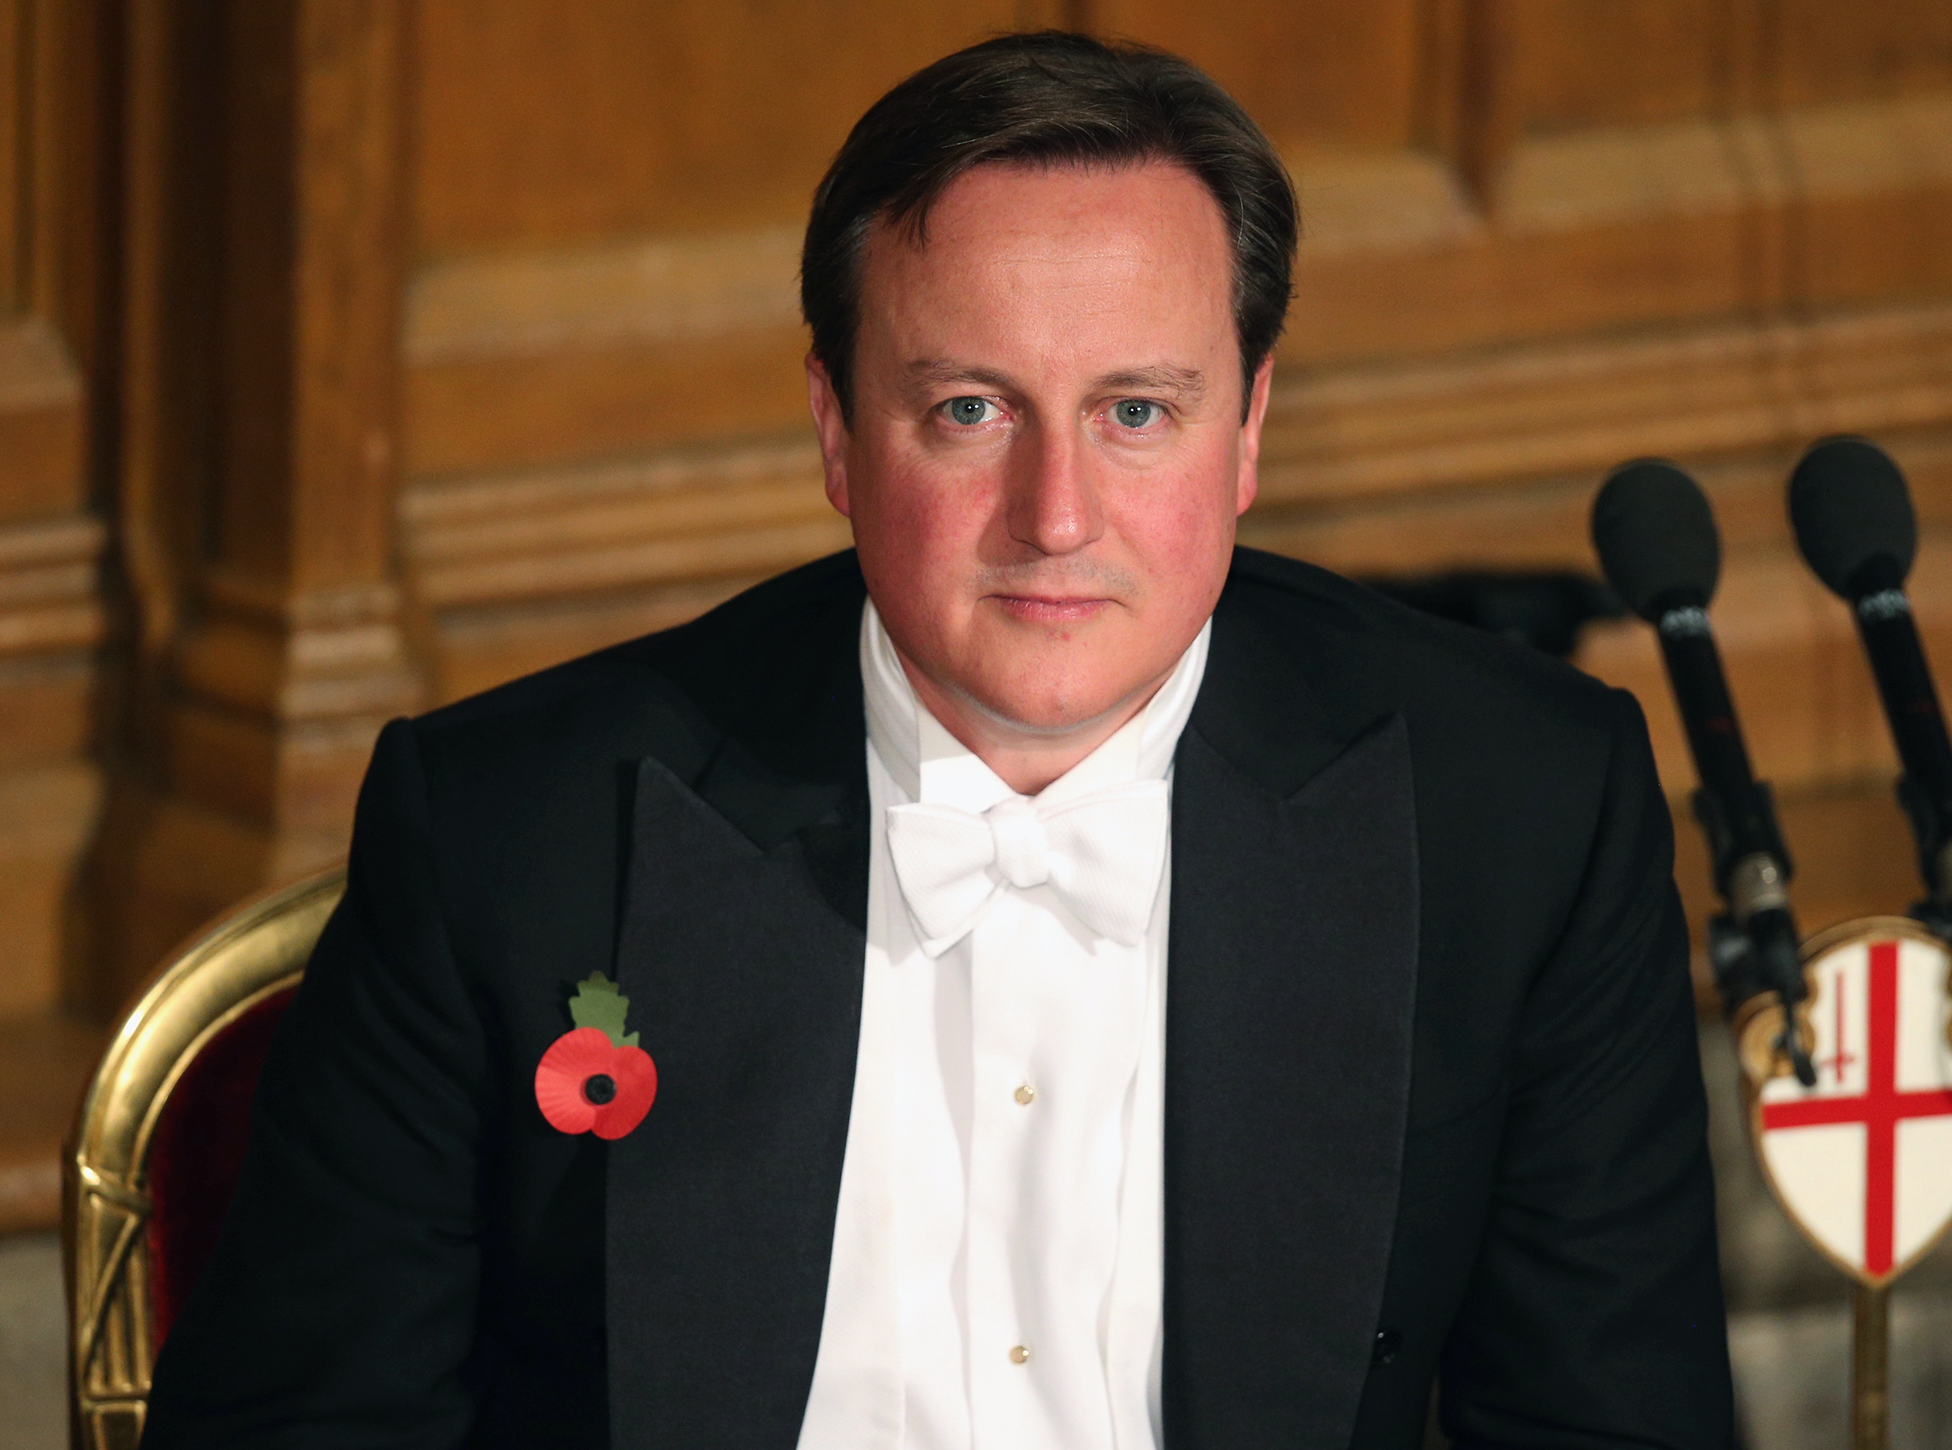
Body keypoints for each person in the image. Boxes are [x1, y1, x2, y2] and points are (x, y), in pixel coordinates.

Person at [144, 31, 1733, 1450]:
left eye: (1136, 411)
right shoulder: (508, 838)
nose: (1055, 517)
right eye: (971, 409)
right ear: (837, 431)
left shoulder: (1521, 815)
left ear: (1249, 428)